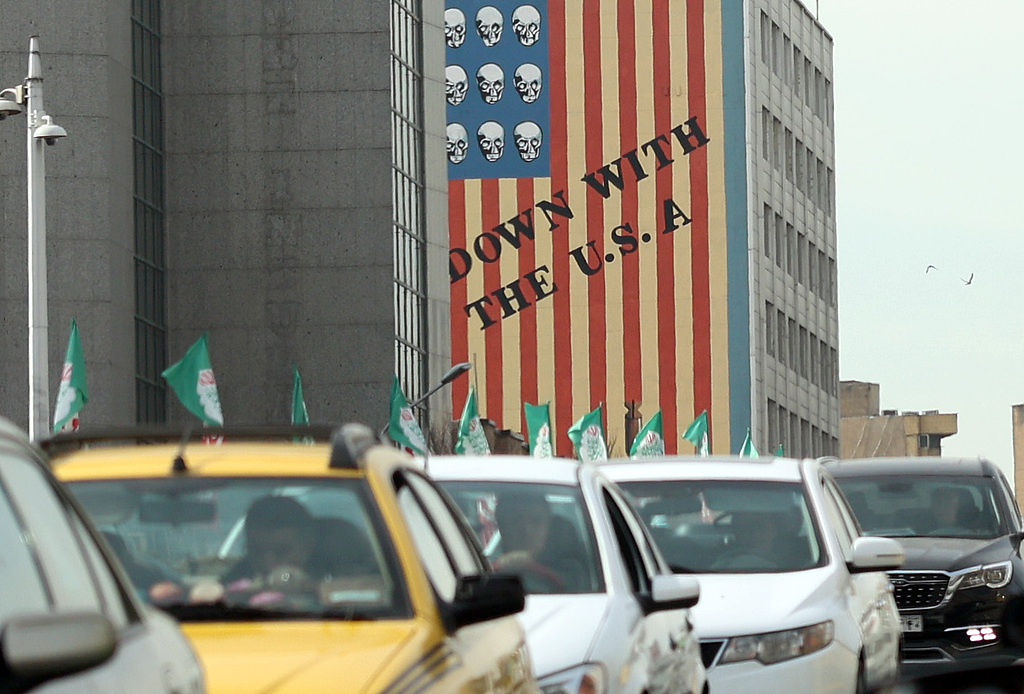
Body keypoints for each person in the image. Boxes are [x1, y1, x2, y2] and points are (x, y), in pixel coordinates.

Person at [491, 489, 587, 593]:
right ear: (501, 524)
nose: (527, 530)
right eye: (516, 520)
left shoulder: (572, 569)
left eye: (536, 522)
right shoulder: (478, 565)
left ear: (549, 527)